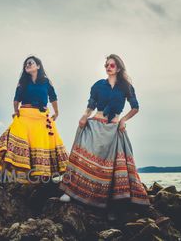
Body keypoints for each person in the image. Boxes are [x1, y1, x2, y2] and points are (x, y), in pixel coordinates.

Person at [59, 54, 150, 218]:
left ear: (119, 68)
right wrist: (84, 115)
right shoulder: (98, 85)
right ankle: (71, 192)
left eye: (112, 65)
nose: (108, 67)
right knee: (82, 158)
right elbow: (91, 105)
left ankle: (111, 206)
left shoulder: (126, 87)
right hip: (95, 126)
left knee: (111, 168)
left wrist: (123, 120)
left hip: (113, 129)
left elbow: (135, 107)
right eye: (106, 65)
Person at [0, 56, 69, 183]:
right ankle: (3, 176)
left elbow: (53, 97)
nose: (27, 65)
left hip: (42, 117)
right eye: (26, 64)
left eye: (30, 63)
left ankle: (40, 179)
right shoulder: (22, 82)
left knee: (41, 144)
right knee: (14, 141)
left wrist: (57, 112)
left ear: (38, 66)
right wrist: (16, 111)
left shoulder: (46, 82)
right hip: (25, 115)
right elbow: (16, 98)